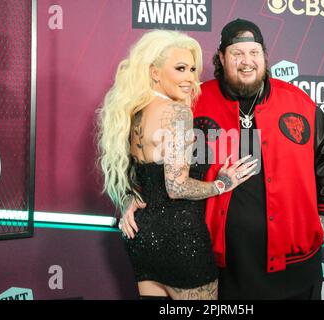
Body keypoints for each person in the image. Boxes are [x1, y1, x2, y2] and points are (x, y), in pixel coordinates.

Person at [124, 19, 324, 300]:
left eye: (254, 53)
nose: (246, 62)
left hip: (293, 264)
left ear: (264, 56)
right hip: (222, 264)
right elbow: (144, 154)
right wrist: (130, 194)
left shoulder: (298, 102)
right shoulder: (192, 101)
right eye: (237, 54)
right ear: (221, 58)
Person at [97, 30, 258, 300]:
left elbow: (138, 178)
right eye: (180, 68)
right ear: (155, 73)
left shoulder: (133, 112)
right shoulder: (176, 112)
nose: (190, 78)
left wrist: (128, 200)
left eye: (193, 69)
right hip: (182, 239)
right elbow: (176, 186)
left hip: (142, 236)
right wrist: (221, 184)